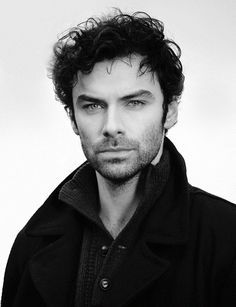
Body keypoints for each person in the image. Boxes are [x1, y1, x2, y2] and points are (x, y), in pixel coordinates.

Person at [2, 10, 236, 307]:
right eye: (93, 105)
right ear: (73, 118)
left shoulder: (227, 239)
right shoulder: (32, 245)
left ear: (171, 111)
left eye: (134, 103)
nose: (112, 125)